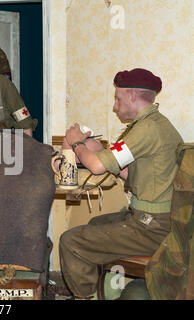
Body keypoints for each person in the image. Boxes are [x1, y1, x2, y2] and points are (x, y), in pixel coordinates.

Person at [58, 68, 184, 299]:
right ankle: (104, 290)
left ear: (132, 96)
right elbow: (127, 172)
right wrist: (97, 150)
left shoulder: (147, 129)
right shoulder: (151, 125)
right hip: (150, 218)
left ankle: (86, 296)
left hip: (153, 226)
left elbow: (96, 167)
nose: (115, 106)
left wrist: (77, 144)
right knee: (96, 225)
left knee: (71, 241)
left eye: (117, 98)